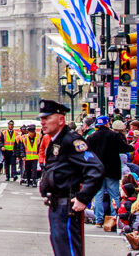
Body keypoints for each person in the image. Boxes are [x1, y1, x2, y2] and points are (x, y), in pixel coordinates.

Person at [38, 99, 104, 256]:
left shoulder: (71, 140)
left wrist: (83, 197)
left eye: (47, 118)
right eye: (41, 118)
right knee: (61, 249)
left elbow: (95, 168)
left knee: (68, 251)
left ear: (61, 119)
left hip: (67, 206)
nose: (42, 122)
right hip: (56, 204)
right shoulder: (55, 141)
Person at [87, 115, 134, 228]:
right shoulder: (114, 136)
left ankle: (99, 220)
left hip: (97, 171)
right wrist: (131, 147)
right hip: (112, 170)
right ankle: (115, 218)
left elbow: (86, 153)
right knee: (114, 195)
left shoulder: (91, 137)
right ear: (107, 124)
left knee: (98, 195)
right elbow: (124, 148)